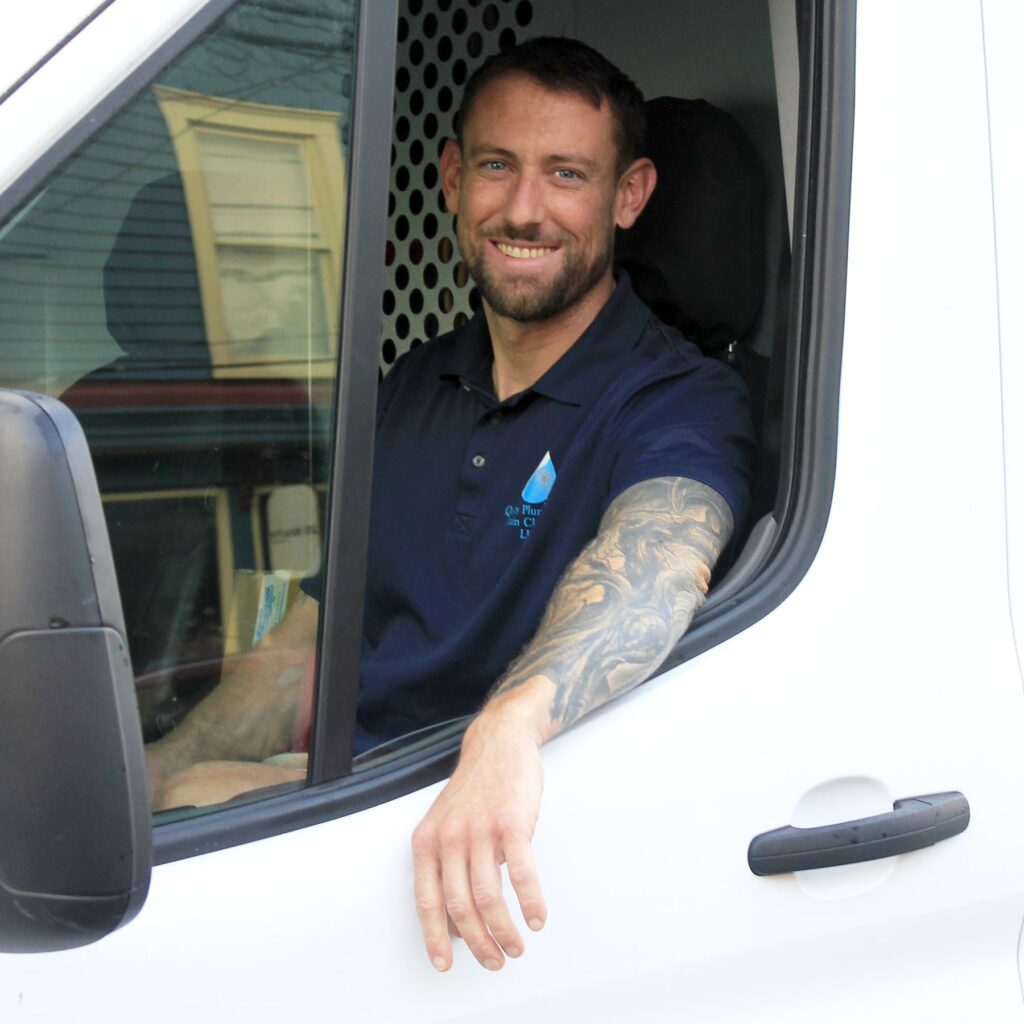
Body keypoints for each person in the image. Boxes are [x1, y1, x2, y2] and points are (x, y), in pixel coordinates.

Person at [146, 37, 754, 973]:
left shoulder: (678, 400)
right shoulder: (414, 385)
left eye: (566, 174)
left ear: (627, 197)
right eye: (499, 167)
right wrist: (156, 770)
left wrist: (508, 728)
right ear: (452, 176)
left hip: (466, 835)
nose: (523, 209)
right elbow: (310, 640)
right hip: (347, 795)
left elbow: (653, 567)